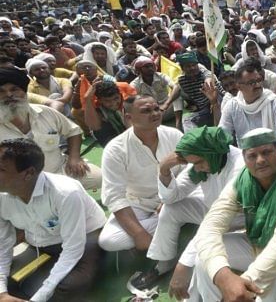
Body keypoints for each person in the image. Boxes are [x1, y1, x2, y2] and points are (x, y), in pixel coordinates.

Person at [193, 128, 276, 301]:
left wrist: (243, 283)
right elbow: (210, 226)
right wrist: (223, 276)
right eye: (252, 155)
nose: (260, 160)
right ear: (244, 158)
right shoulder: (242, 181)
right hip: (256, 244)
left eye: (266, 152)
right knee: (204, 260)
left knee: (273, 283)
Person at [128, 127, 245, 298]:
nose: (196, 168)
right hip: (213, 210)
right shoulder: (207, 160)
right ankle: (164, 262)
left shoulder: (239, 169)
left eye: (198, 163)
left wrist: (183, 264)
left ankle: (186, 275)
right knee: (171, 209)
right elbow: (170, 198)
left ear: (211, 153)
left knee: (199, 258)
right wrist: (164, 169)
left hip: (237, 221)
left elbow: (218, 220)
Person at [0, 139, 106, 302]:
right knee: (8, 284)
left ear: (28, 173)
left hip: (85, 240)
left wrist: (39, 297)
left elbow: (73, 248)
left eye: (1, 169)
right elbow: (3, 244)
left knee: (67, 286)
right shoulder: (2, 195)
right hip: (40, 244)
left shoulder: (65, 192)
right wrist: (2, 292)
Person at [98, 95, 184, 252]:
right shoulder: (115, 149)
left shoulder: (174, 135)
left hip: (176, 196)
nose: (155, 113)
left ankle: (169, 219)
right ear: (129, 117)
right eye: (146, 111)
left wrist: (169, 198)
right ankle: (170, 221)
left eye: (156, 108)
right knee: (109, 240)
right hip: (139, 203)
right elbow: (115, 196)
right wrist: (139, 234)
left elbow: (189, 171)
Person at [0, 67, 101, 191]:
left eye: (14, 89)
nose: (9, 95)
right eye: (1, 91)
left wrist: (74, 157)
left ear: (24, 91)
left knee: (99, 177)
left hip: (59, 171)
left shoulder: (45, 112)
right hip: (20, 183)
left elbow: (73, 131)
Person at [219, 58, 276, 155]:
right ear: (239, 87)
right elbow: (222, 136)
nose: (257, 85)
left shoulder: (274, 101)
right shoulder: (232, 106)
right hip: (245, 156)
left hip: (273, 154)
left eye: (258, 80)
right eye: (251, 83)